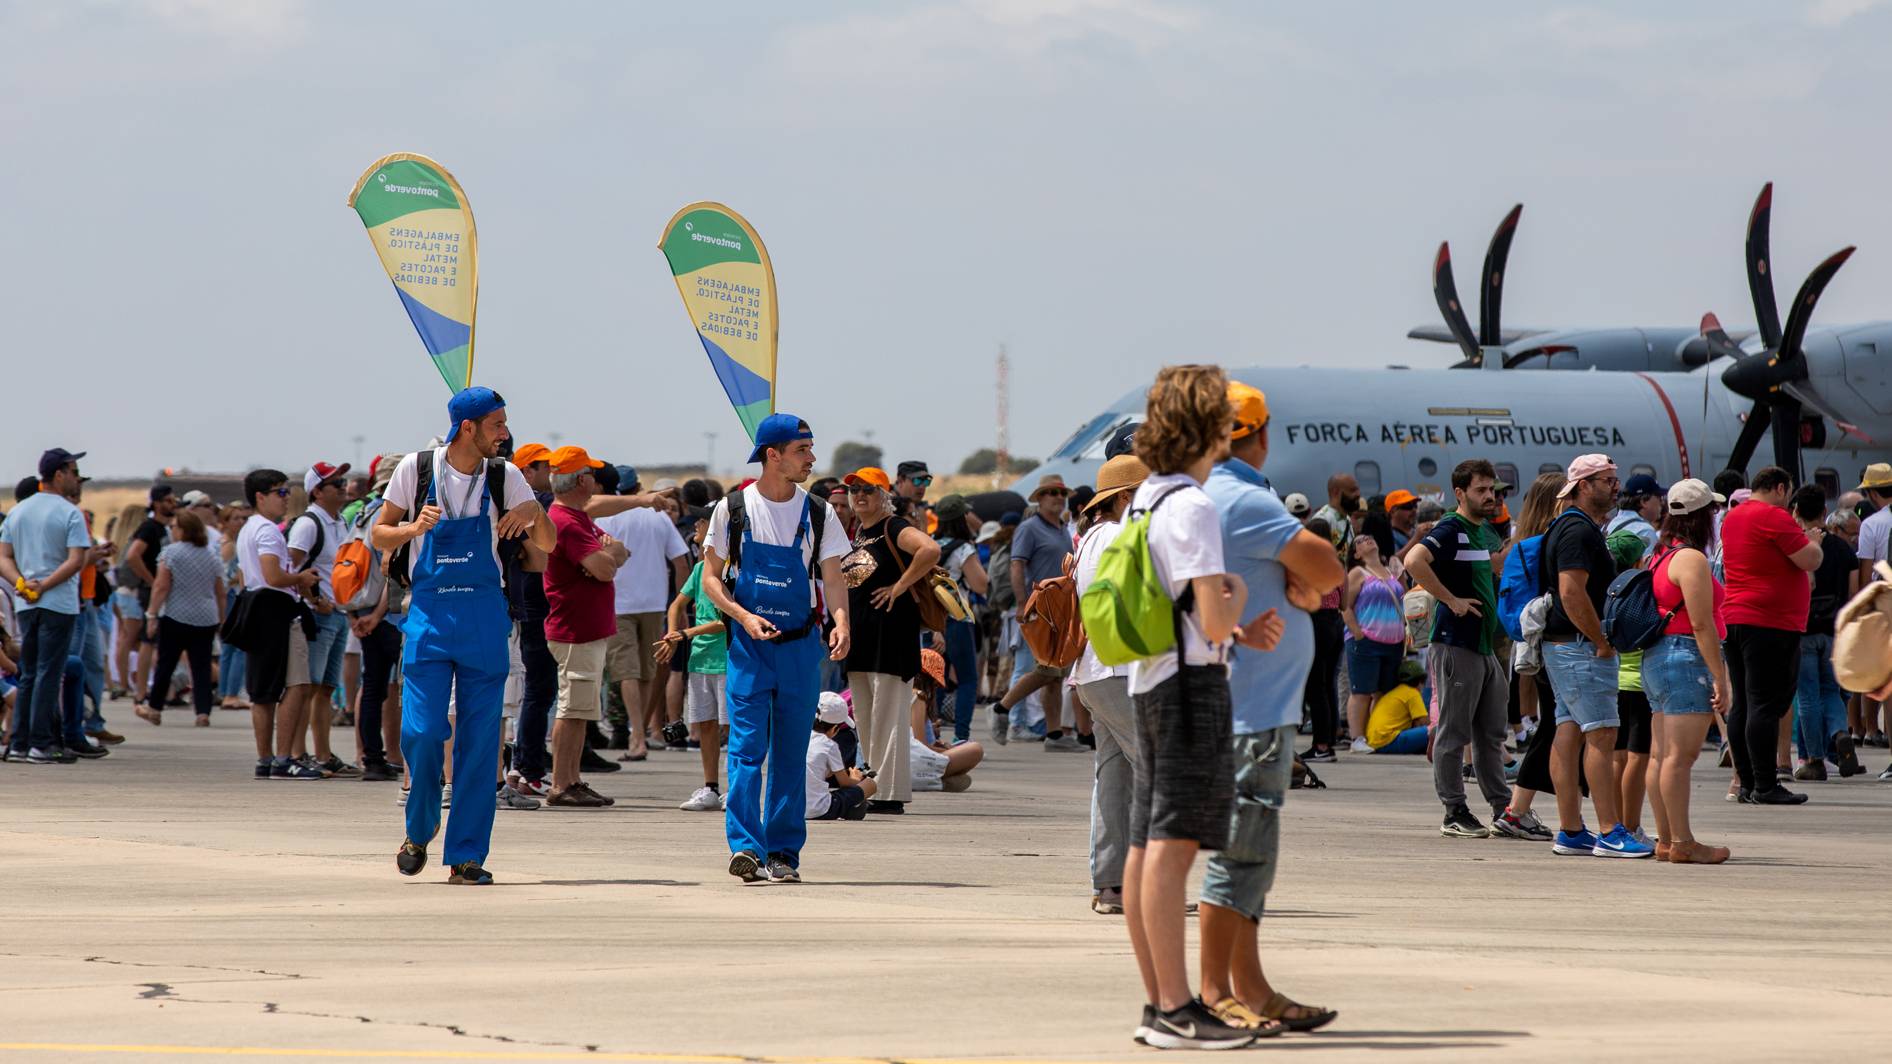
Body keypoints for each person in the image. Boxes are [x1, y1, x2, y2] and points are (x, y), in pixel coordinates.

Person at [1197, 380, 1341, 1039]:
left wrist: (1299, 581)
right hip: (1251, 709)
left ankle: (1251, 986)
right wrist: (1305, 579)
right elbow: (1329, 566)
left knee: (1252, 858)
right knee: (1240, 853)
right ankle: (1212, 990)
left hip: (1252, 704)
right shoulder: (1240, 497)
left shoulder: (1212, 495)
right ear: (1257, 434)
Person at [1120, 365, 1256, 1051]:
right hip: (1190, 685)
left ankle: (1158, 1003)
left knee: (1146, 845)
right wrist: (1233, 594)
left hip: (1149, 679)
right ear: (1207, 426)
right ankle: (1178, 1009)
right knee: (1172, 847)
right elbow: (1212, 616)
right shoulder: (1195, 505)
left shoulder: (1148, 495)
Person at [374, 387, 556, 885]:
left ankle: (467, 856)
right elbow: (379, 535)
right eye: (497, 424)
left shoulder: (506, 476)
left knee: (479, 746)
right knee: (423, 732)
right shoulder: (417, 469)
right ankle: (420, 826)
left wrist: (533, 515)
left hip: (484, 616)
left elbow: (548, 545)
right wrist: (413, 529)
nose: (506, 433)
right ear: (468, 427)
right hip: (429, 617)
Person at [699, 413, 852, 884]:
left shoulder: (820, 512)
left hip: (801, 648)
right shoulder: (733, 509)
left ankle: (783, 851)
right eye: (802, 450)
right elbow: (710, 578)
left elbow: (833, 575)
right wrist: (742, 616)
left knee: (790, 753)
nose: (811, 459)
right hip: (748, 648)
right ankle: (745, 847)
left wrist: (841, 621)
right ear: (774, 455)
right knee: (746, 751)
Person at [1539, 454, 1651, 857]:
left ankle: (1571, 830)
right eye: (1607, 480)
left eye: (1615, 479)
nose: (1615, 487)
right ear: (1584, 485)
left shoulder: (1572, 526)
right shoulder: (1578, 531)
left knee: (1568, 733)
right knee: (1602, 735)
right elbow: (1571, 592)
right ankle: (1610, 829)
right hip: (1580, 646)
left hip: (1564, 645)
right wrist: (1600, 640)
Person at [1404, 459, 1514, 840]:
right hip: (1456, 645)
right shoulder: (1451, 528)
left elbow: (1486, 568)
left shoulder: (1480, 532)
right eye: (1481, 490)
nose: (1490, 497)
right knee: (1454, 732)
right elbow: (1413, 560)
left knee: (1491, 734)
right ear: (1460, 493)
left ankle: (1505, 810)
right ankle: (1454, 809)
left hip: (1482, 647)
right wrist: (1451, 600)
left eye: (1493, 490)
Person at [1073, 453, 1150, 915]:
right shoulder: (1122, 535)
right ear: (1125, 497)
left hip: (1094, 673)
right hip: (1122, 671)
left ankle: (1110, 886)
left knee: (1114, 777)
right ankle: (1150, 883)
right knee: (1162, 775)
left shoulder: (1089, 538)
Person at [1720, 466, 1823, 805]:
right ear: (1780, 488)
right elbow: (1810, 559)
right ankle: (1766, 784)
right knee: (1766, 703)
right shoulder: (1773, 517)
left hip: (1736, 617)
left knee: (1744, 705)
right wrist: (1812, 540)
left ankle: (1748, 782)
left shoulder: (1733, 518)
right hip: (1768, 623)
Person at [1642, 479, 1732, 864]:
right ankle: (1683, 842)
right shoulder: (1692, 559)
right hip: (1685, 657)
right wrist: (1719, 676)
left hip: (1657, 659)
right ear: (1702, 517)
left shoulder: (1660, 555)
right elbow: (1701, 624)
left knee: (1660, 756)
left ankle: (1666, 839)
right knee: (1680, 758)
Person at [841, 466, 940, 814]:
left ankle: (889, 792)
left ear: (884, 495)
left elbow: (929, 550)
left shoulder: (892, 527)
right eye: (855, 491)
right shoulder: (858, 534)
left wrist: (899, 586)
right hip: (862, 638)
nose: (860, 496)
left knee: (889, 714)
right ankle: (872, 784)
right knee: (866, 716)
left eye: (868, 490)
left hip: (891, 635)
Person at [0, 448, 104, 763]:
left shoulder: (19, 511)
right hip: (57, 602)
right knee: (50, 671)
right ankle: (41, 742)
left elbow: (3, 555)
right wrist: (46, 585)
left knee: (29, 671)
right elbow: (76, 559)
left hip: (26, 603)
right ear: (59, 474)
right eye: (74, 472)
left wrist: (21, 582)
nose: (77, 478)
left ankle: (19, 743)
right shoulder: (70, 512)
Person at [540, 446, 627, 809]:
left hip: (584, 627)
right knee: (572, 708)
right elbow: (608, 565)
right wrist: (610, 555)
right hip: (574, 628)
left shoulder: (576, 518)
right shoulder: (567, 522)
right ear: (580, 480)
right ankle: (562, 783)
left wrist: (610, 554)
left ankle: (571, 779)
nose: (595, 480)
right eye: (590, 474)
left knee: (579, 710)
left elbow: (618, 552)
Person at [236, 469, 326, 780]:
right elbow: (273, 576)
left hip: (256, 606)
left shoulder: (249, 528)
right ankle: (284, 758)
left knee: (262, 689)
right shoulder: (269, 532)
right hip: (276, 609)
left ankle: (266, 758)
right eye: (280, 493)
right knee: (297, 685)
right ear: (260, 497)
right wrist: (300, 578)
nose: (286, 499)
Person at [595, 482, 691, 759]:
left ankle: (637, 735)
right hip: (655, 603)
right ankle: (643, 732)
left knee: (626, 671)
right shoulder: (657, 516)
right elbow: (681, 562)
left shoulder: (605, 518)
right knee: (648, 670)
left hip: (617, 603)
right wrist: (680, 604)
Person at [988, 474, 1077, 749]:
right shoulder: (1029, 528)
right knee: (1046, 669)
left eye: (1061, 492)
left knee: (1056, 674)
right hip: (1040, 606)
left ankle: (1054, 735)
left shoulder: (1062, 528)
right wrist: (1022, 602)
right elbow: (1017, 566)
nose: (1058, 497)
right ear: (1039, 498)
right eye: (1051, 492)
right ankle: (1002, 708)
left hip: (1062, 608)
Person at [656, 509, 731, 812]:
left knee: (731, 728)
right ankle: (711, 787)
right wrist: (672, 635)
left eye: (700, 523)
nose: (695, 529)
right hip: (700, 659)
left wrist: (684, 634)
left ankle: (735, 787)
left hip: (726, 658)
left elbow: (726, 621)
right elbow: (677, 604)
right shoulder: (701, 569)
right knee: (707, 725)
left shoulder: (730, 571)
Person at [286, 461, 357, 778]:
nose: (343, 487)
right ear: (317, 491)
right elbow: (292, 570)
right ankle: (298, 753)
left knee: (326, 688)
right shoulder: (308, 524)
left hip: (338, 615)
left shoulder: (339, 521)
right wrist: (315, 599)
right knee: (307, 687)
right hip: (317, 616)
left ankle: (324, 753)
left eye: (343, 482)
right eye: (335, 483)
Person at [1790, 487, 1862, 780]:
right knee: (1831, 691)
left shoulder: (1795, 546)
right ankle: (1840, 732)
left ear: (1795, 512)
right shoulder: (1843, 548)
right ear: (1825, 511)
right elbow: (1854, 593)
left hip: (1803, 630)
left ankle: (1814, 760)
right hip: (1834, 630)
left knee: (1807, 695)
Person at [349, 456, 406, 783]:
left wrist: (356, 614)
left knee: (371, 687)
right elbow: (392, 571)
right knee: (403, 687)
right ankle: (400, 756)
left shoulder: (360, 512)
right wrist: (377, 614)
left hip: (360, 609)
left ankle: (371, 757)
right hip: (388, 614)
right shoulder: (391, 515)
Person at [141, 509, 225, 727]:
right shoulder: (211, 555)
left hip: (176, 614)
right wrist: (222, 619)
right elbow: (219, 591)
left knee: (166, 663)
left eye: (174, 527)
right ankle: (203, 712)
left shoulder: (170, 553)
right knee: (201, 666)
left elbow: (161, 586)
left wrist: (152, 614)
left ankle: (155, 707)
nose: (171, 530)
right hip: (206, 617)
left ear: (183, 530)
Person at [1340, 534, 1405, 755]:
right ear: (1356, 553)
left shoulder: (1391, 573)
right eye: (1360, 541)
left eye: (1369, 538)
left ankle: (1374, 732)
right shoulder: (1358, 573)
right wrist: (1357, 633)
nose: (1367, 541)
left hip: (1393, 641)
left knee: (1383, 691)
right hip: (1366, 639)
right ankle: (1357, 737)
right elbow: (1345, 606)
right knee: (1361, 690)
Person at [930, 494, 987, 744]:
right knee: (967, 679)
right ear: (962, 518)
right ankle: (961, 736)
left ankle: (932, 731)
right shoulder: (964, 549)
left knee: (935, 677)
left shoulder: (929, 543)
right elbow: (981, 585)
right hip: (957, 617)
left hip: (931, 620)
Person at [806, 696, 874, 821]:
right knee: (870, 784)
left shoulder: (801, 739)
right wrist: (856, 779)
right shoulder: (829, 745)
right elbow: (844, 782)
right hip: (819, 810)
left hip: (795, 809)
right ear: (834, 729)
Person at [1365, 659, 1430, 753]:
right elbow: (1424, 722)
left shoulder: (1394, 692)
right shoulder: (1412, 693)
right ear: (1420, 681)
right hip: (1389, 740)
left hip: (1375, 742)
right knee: (1434, 730)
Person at [1606, 473, 1665, 555]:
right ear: (1644, 502)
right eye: (1659, 497)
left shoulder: (1608, 525)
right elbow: (1648, 567)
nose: (1662, 502)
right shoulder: (1645, 531)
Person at [1312, 474, 1358, 556]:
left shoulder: (1347, 518)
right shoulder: (1321, 521)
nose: (1358, 494)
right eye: (1352, 490)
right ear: (1336, 492)